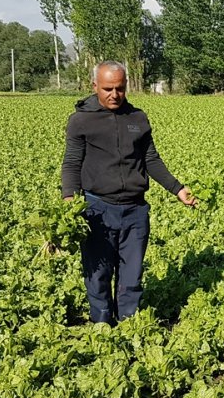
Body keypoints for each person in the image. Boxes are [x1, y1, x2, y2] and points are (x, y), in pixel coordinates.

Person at [61, 61, 197, 325]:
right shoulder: (81, 121)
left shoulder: (137, 118)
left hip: (135, 210)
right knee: (98, 273)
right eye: (108, 88)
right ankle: (101, 325)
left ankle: (128, 324)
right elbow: (72, 163)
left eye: (120, 88)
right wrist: (69, 198)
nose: (114, 94)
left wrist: (177, 189)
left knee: (131, 275)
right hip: (97, 209)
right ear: (94, 87)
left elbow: (151, 160)